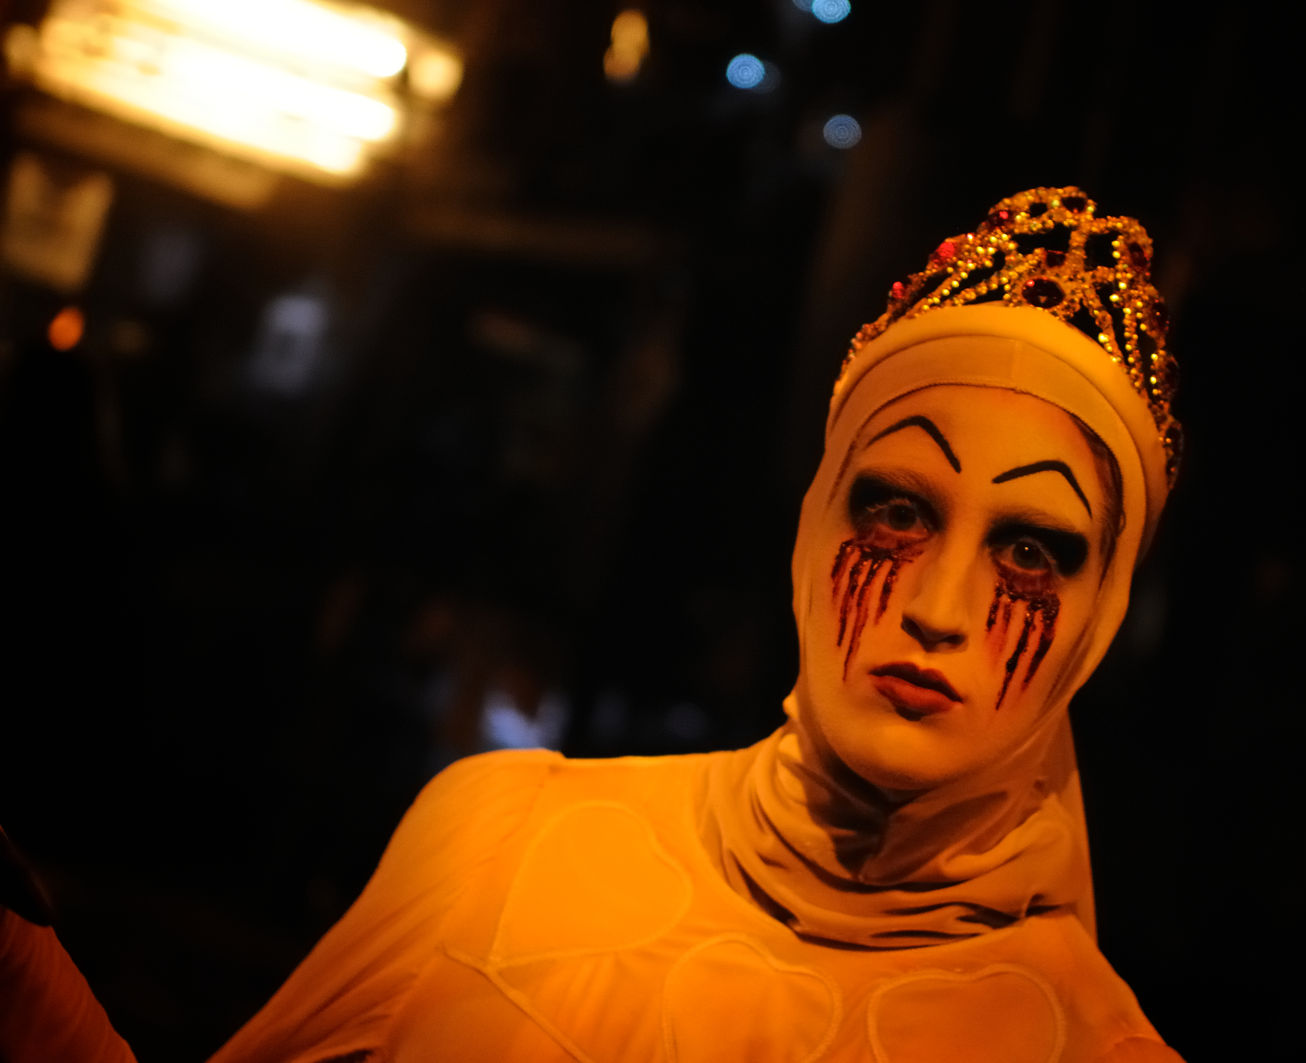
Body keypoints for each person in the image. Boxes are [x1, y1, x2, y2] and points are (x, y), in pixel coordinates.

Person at [208, 186, 1185, 1062]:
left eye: (1030, 554)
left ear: (1101, 615)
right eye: (895, 511)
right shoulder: (499, 844)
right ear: (815, 523)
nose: (936, 611)